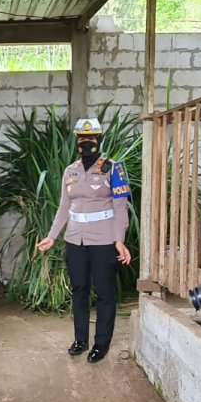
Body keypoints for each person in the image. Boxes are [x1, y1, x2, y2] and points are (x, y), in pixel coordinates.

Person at [35, 118, 132, 363]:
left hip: (103, 240)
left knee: (104, 293)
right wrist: (52, 236)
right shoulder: (71, 170)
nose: (86, 142)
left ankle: (101, 344)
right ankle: (80, 339)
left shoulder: (114, 169)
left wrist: (119, 240)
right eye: (82, 138)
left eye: (91, 138)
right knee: (79, 289)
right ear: (76, 141)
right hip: (75, 240)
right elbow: (64, 207)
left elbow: (121, 208)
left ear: (99, 140)